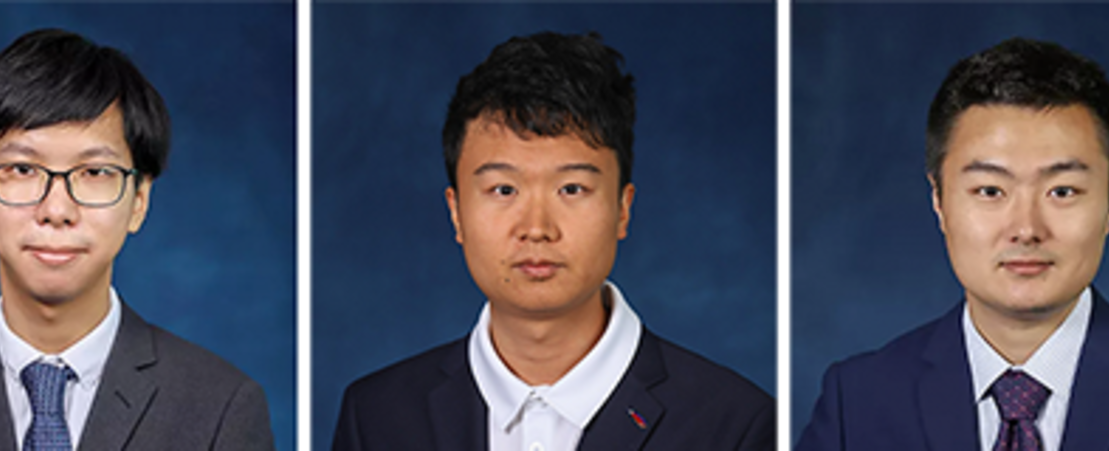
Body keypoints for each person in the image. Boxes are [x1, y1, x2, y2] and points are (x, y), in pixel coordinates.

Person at [799, 37, 1109, 451]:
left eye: (1061, 192)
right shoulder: (857, 402)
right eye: (990, 191)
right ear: (939, 201)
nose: (1026, 228)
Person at [331, 31, 776, 451]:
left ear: (623, 208)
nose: (537, 227)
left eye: (571, 190)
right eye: (504, 190)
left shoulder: (734, 426)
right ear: (456, 212)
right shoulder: (376, 417)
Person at [0, 28, 271, 451]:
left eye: (95, 173)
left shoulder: (221, 410)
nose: (57, 210)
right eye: (23, 170)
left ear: (139, 200)